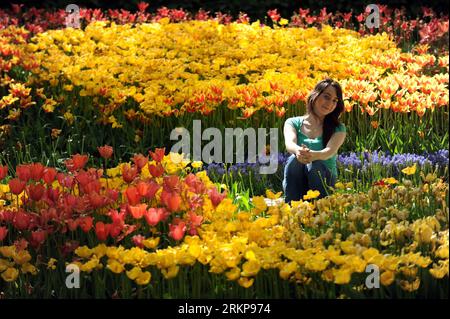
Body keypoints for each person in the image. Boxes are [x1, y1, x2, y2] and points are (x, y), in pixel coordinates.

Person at [283, 78, 346, 204]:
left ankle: (320, 207)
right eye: (327, 97)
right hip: (298, 177)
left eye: (334, 100)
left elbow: (329, 152)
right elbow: (290, 144)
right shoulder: (292, 122)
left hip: (324, 180)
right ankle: (292, 206)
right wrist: (298, 151)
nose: (330, 104)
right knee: (294, 159)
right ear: (315, 96)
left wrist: (312, 155)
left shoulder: (338, 128)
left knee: (315, 164)